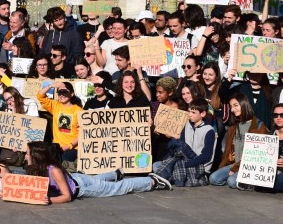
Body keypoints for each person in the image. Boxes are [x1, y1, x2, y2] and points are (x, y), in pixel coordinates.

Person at [25, 141, 171, 204]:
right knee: (97, 179)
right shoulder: (35, 168)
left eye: (27, 153)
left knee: (118, 188)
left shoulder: (54, 170)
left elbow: (67, 197)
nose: (25, 156)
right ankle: (115, 175)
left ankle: (151, 181)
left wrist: (49, 200)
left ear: (36, 157)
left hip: (82, 188)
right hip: (77, 179)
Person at [153, 98, 216, 187]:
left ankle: (167, 177)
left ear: (203, 114)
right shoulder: (186, 125)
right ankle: (174, 176)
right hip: (183, 160)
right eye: (189, 111)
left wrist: (185, 164)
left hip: (199, 165)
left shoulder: (209, 130)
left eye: (193, 113)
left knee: (172, 162)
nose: (189, 115)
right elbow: (178, 149)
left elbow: (206, 156)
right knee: (156, 165)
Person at [209, 93, 268, 188]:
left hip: (249, 167)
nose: (232, 109)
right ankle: (240, 182)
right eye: (231, 107)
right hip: (234, 164)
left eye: (236, 105)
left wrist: (235, 169)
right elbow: (227, 151)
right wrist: (223, 166)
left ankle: (251, 183)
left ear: (244, 104)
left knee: (232, 182)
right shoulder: (233, 126)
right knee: (213, 178)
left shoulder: (258, 126)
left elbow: (256, 154)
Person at [37, 81, 82, 163]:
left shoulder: (78, 111)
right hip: (56, 147)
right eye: (59, 92)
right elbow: (40, 96)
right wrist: (51, 85)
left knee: (62, 164)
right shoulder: (55, 106)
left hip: (73, 148)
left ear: (72, 94)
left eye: (65, 92)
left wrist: (69, 146)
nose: (62, 95)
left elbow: (82, 133)